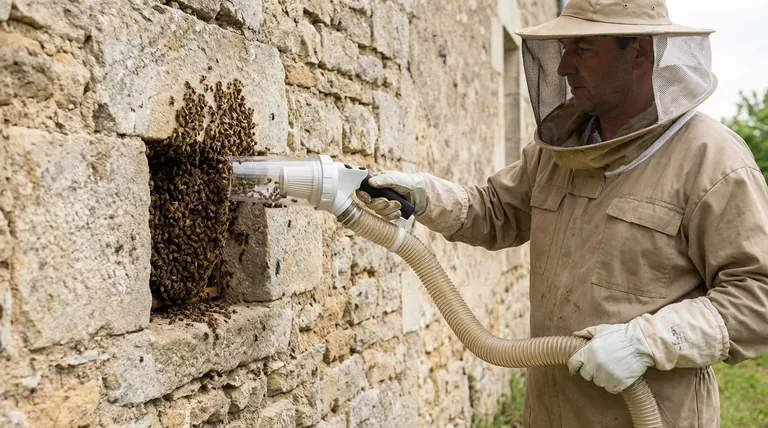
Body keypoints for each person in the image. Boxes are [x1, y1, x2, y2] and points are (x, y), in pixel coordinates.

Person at [356, 0, 768, 426]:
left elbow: (757, 295)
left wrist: (649, 341)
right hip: (550, 413)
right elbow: (497, 211)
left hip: (648, 416)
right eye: (565, 47)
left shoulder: (711, 159)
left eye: (583, 49)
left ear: (640, 52)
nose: (563, 67)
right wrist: (425, 196)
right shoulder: (560, 151)